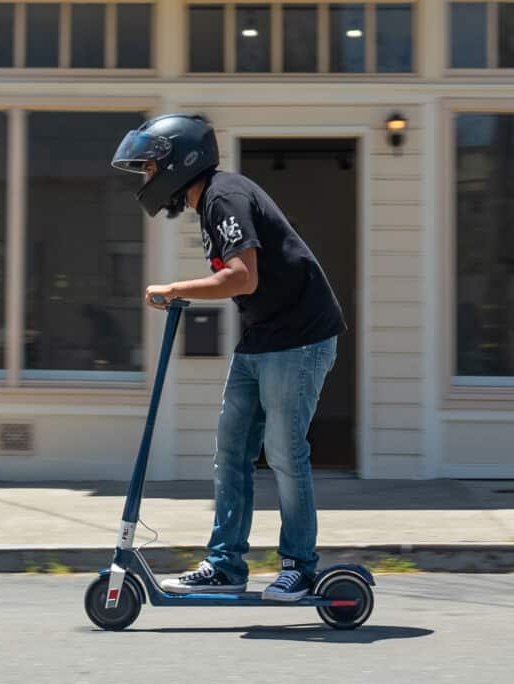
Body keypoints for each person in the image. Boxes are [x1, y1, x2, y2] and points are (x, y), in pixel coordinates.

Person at [111, 113, 345, 601]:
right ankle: (225, 564)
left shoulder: (224, 196)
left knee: (283, 452)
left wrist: (173, 288)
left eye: (151, 167)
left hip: (300, 338)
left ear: (180, 161)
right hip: (262, 336)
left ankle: (300, 568)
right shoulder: (210, 203)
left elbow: (243, 278)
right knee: (232, 452)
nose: (149, 178)